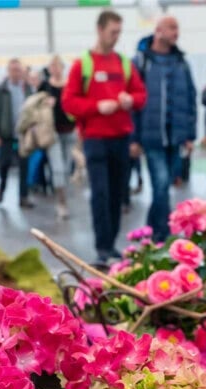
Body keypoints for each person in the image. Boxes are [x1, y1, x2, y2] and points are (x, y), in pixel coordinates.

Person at [62, 9, 147, 265]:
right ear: (100, 30)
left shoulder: (124, 63)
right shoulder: (83, 65)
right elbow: (69, 102)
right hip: (95, 139)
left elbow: (141, 96)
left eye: (119, 32)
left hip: (121, 138)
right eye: (113, 32)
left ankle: (111, 245)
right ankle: (102, 247)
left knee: (118, 193)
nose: (116, 37)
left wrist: (129, 100)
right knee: (100, 193)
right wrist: (97, 107)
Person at [132, 15, 197, 242]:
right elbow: (133, 102)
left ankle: (150, 230)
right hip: (151, 137)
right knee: (160, 184)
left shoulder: (181, 62)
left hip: (176, 137)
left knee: (165, 186)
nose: (176, 32)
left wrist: (190, 134)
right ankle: (163, 235)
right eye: (171, 28)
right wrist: (134, 138)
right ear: (158, 31)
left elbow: (190, 97)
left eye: (177, 28)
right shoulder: (141, 61)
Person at [0, 58, 33, 209]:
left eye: (18, 70)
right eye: (13, 70)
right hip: (6, 135)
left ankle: (23, 197)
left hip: (23, 135)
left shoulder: (27, 89)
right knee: (5, 164)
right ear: (8, 72)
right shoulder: (0, 90)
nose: (16, 73)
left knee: (24, 166)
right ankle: (1, 190)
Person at [39, 56, 77, 219]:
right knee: (58, 168)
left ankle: (64, 195)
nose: (55, 69)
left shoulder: (69, 85)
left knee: (67, 168)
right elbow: (34, 107)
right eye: (52, 66)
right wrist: (45, 104)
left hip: (69, 131)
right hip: (52, 132)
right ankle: (61, 202)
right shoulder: (45, 86)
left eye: (57, 66)